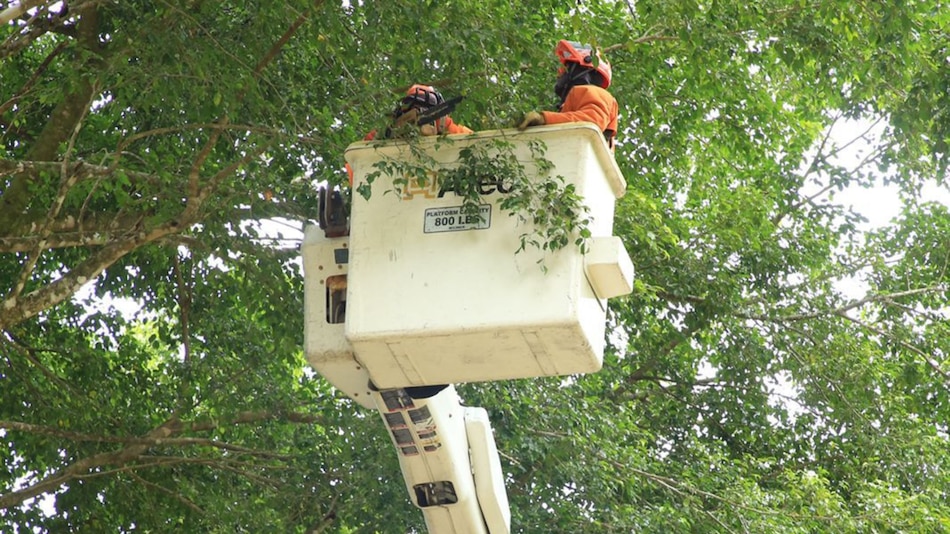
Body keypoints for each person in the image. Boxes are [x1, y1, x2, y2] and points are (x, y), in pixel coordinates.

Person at [348, 84, 473, 185]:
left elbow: (480, 142)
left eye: (426, 110)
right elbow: (355, 170)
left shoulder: (451, 131)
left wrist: (443, 126)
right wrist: (388, 134)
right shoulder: (383, 136)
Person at [517, 40, 618, 149]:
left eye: (566, 69)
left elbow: (591, 122)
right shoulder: (575, 104)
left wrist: (544, 119)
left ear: (580, 69)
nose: (559, 75)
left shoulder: (594, 92)